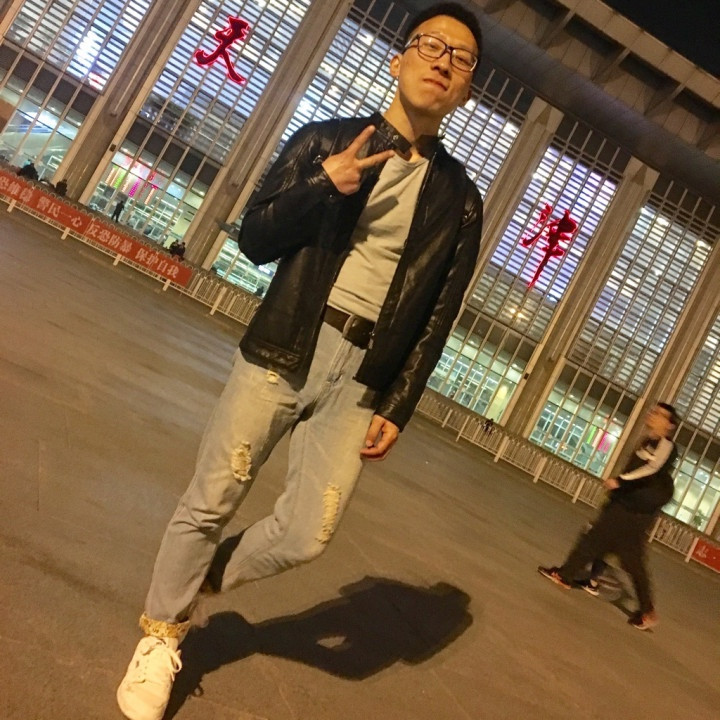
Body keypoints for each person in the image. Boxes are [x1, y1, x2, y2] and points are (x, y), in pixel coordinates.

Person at [117, 4, 484, 719]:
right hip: (288, 345)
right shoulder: (323, 139)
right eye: (430, 45)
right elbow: (254, 236)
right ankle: (160, 636)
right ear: (398, 60)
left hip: (362, 378)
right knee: (212, 497)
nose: (443, 62)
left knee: (308, 532)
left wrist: (398, 404)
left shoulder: (460, 199)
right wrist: (322, 185)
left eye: (461, 58)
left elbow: (439, 313)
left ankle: (203, 576)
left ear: (467, 90)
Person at [538, 402, 679, 631]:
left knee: (594, 539)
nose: (653, 415)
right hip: (627, 506)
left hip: (632, 511)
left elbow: (652, 469)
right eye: (654, 412)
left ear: (670, 425)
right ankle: (646, 611)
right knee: (629, 559)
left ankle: (566, 575)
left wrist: (620, 481)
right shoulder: (647, 442)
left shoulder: (666, 445)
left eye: (660, 415)